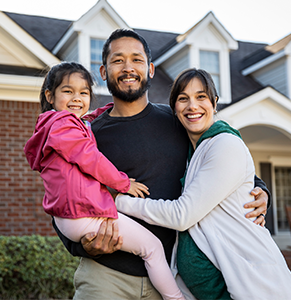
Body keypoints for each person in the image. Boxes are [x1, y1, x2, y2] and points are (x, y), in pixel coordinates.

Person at [52, 30, 270, 300]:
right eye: (118, 60)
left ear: (151, 69)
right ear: (103, 72)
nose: (128, 67)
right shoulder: (87, 135)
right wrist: (84, 248)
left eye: (137, 60)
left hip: (169, 278)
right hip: (106, 276)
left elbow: (224, 157)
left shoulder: (179, 119)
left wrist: (261, 189)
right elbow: (59, 197)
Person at [115, 68, 291, 299]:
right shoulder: (191, 150)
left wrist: (118, 201)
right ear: (174, 108)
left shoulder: (225, 144)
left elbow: (182, 215)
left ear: (215, 103)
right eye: (183, 99)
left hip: (252, 285)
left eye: (201, 97)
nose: (192, 106)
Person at [24, 61, 186, 300]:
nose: (76, 97)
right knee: (152, 249)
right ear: (50, 95)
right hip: (86, 219)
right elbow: (91, 158)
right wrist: (124, 183)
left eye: (84, 92)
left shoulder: (58, 126)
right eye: (68, 91)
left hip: (70, 218)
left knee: (150, 250)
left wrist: (102, 112)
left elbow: (85, 123)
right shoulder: (64, 127)